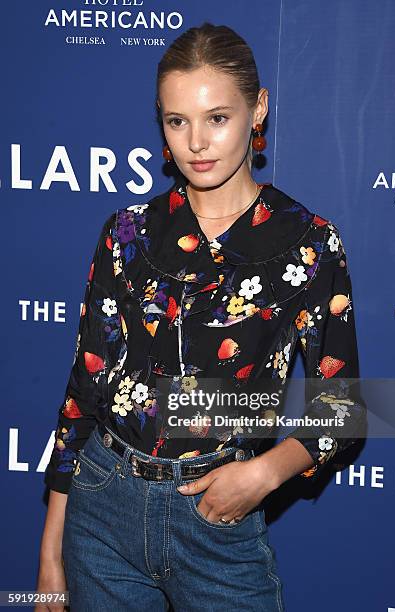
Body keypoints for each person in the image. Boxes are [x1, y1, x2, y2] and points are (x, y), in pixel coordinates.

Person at [36, 22, 366, 612]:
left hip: (218, 516)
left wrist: (263, 475)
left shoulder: (308, 244)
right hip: (102, 507)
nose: (196, 143)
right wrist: (50, 555)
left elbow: (343, 407)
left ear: (257, 110)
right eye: (176, 120)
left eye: (218, 117)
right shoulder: (128, 232)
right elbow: (83, 392)